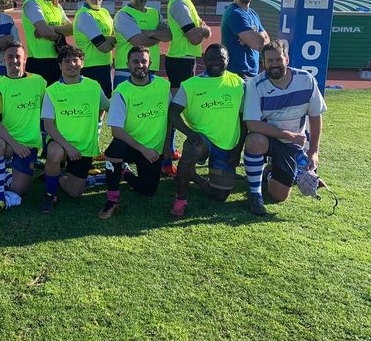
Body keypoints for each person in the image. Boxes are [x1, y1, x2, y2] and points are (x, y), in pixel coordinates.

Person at [242, 40, 327, 214]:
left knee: (279, 195)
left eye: (278, 60)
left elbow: (315, 116)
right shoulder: (255, 85)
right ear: (263, 63)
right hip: (270, 139)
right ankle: (255, 195)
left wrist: (314, 151)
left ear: (287, 59)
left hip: (293, 144)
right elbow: (252, 124)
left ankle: (270, 173)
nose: (274, 65)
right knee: (254, 141)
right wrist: (288, 135)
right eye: (269, 61)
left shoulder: (306, 79)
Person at [167, 44, 244, 218]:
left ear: (228, 60)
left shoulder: (238, 83)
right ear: (204, 60)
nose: (216, 62)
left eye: (221, 59)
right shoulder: (190, 85)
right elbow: (173, 113)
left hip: (227, 145)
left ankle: (193, 175)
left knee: (219, 195)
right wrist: (190, 133)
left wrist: (238, 149)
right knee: (192, 148)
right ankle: (180, 199)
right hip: (203, 141)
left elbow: (243, 119)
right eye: (211, 58)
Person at [99, 46, 170, 219]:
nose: (140, 65)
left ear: (150, 63)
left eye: (144, 61)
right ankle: (112, 199)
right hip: (132, 146)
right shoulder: (122, 92)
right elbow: (116, 130)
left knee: (148, 191)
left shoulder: (163, 86)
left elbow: (170, 120)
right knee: (114, 151)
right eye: (135, 61)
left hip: (153, 151)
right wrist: (142, 149)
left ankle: (125, 173)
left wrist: (165, 150)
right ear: (127, 64)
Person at [40, 45, 110, 213]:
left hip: (83, 147)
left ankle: (56, 176)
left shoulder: (93, 86)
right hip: (60, 143)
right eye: (66, 61)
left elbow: (109, 107)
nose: (71, 64)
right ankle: (51, 194)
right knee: (55, 153)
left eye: (75, 60)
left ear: (82, 63)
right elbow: (48, 125)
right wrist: (68, 147)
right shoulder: (52, 90)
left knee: (74, 192)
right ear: (60, 65)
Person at [0, 42, 47, 217]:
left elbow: (48, 113)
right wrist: (15, 144)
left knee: (19, 190)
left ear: (25, 59)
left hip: (29, 145)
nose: (14, 60)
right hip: (8, 143)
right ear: (4, 60)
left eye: (17, 56)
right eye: (10, 56)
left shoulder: (39, 82)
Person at [164, 0, 212, 177]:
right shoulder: (179, 4)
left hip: (186, 60)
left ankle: (170, 151)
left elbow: (203, 32)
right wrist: (202, 30)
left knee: (179, 109)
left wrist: (202, 30)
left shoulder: (187, 1)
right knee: (174, 112)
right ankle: (165, 159)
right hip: (179, 61)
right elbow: (195, 37)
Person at [113, 0, 170, 87]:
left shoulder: (155, 13)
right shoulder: (124, 15)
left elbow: (168, 35)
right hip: (127, 71)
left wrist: (150, 33)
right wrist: (159, 35)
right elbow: (139, 41)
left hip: (150, 69)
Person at [22, 0, 72, 84]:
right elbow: (44, 31)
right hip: (38, 62)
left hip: (57, 61)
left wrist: (52, 28)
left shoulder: (56, 5)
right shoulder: (32, 3)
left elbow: (71, 29)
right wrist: (60, 37)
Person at [221, 0, 269, 81]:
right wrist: (255, 38)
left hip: (251, 73)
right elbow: (258, 44)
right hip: (237, 74)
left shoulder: (253, 13)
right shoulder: (235, 13)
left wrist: (252, 37)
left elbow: (266, 39)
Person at [73, 0, 115, 99]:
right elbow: (104, 46)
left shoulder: (105, 12)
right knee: (92, 105)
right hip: (90, 68)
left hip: (106, 65)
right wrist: (114, 39)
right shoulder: (84, 15)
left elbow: (112, 37)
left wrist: (110, 39)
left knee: (105, 103)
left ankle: (100, 120)